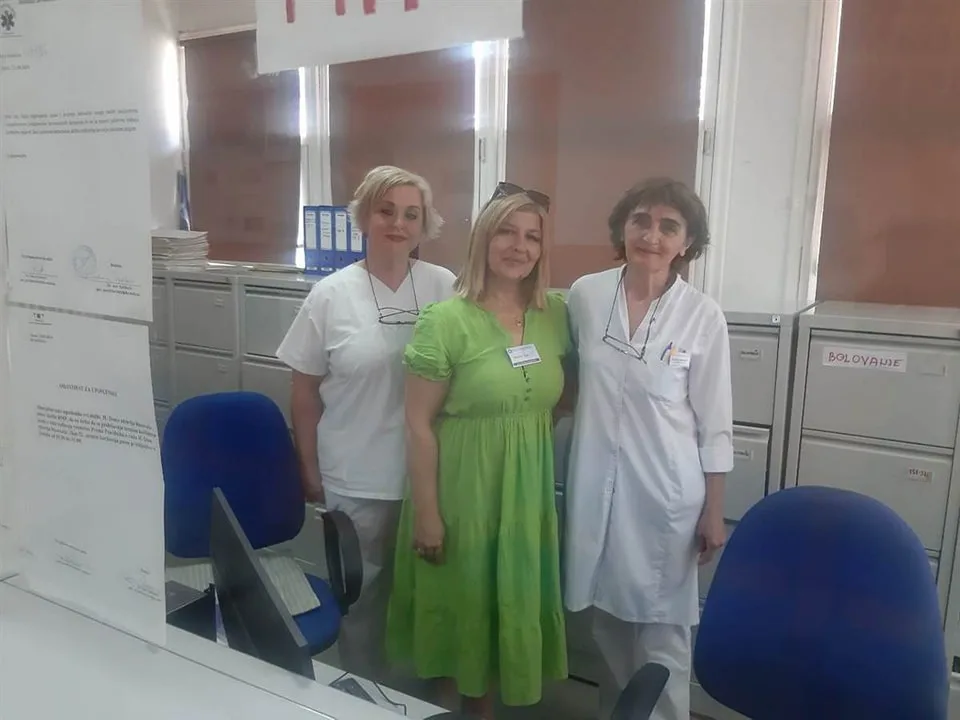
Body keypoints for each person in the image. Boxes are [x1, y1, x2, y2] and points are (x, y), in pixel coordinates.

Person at [387, 183, 569, 719]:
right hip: (463, 492)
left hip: (526, 494)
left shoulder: (555, 315)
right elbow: (417, 424)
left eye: (532, 236)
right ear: (483, 239)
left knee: (506, 606)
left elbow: (562, 396)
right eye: (506, 233)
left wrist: (521, 436)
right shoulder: (445, 321)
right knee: (463, 614)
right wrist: (428, 515)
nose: (519, 246)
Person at [276, 165, 456, 681]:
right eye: (386, 211)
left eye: (411, 215)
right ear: (363, 218)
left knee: (426, 594)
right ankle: (364, 692)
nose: (398, 224)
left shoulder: (444, 286)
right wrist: (308, 467)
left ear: (424, 225)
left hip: (427, 479)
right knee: (360, 598)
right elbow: (304, 391)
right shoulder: (331, 294)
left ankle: (418, 697)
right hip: (355, 477)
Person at [563, 178, 733, 720]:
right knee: (607, 627)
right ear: (622, 227)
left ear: (687, 242)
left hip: (665, 496)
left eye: (668, 226)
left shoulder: (702, 316)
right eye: (641, 220)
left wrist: (714, 510)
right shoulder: (586, 295)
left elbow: (715, 424)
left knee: (662, 641)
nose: (651, 236)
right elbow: (566, 380)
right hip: (596, 487)